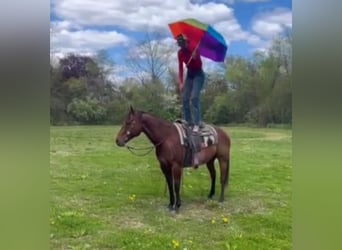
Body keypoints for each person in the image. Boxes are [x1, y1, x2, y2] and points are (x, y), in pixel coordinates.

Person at [176, 34, 205, 134]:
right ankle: (188, 122)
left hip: (198, 74)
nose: (181, 45)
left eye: (182, 43)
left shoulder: (194, 49)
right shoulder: (180, 53)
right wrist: (180, 82)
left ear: (186, 42)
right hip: (189, 75)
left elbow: (199, 65)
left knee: (194, 97)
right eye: (179, 44)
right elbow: (180, 68)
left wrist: (195, 57)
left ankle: (197, 123)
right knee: (184, 98)